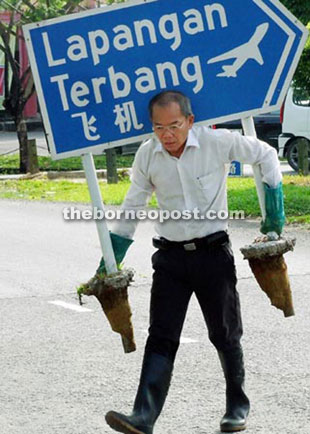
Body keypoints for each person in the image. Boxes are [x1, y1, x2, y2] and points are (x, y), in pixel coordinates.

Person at [102, 90, 285, 434]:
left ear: (189, 121)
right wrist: (109, 260)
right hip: (170, 260)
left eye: (174, 126)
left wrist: (274, 215)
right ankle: (143, 417)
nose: (167, 135)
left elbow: (267, 154)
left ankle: (236, 408)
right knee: (161, 335)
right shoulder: (148, 155)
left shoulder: (218, 143)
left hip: (213, 255)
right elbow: (131, 208)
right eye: (159, 128)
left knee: (225, 333)